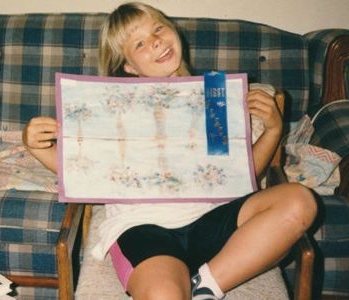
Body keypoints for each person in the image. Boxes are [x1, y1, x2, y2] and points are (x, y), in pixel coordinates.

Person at [22, 2, 318, 300]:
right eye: (139, 44)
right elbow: (82, 174)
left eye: (159, 29)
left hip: (215, 220)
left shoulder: (213, 95)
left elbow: (242, 175)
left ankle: (207, 284)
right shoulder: (112, 110)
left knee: (299, 200)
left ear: (173, 30)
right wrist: (36, 146)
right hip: (144, 228)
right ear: (128, 66)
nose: (155, 42)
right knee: (164, 295)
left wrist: (273, 130)